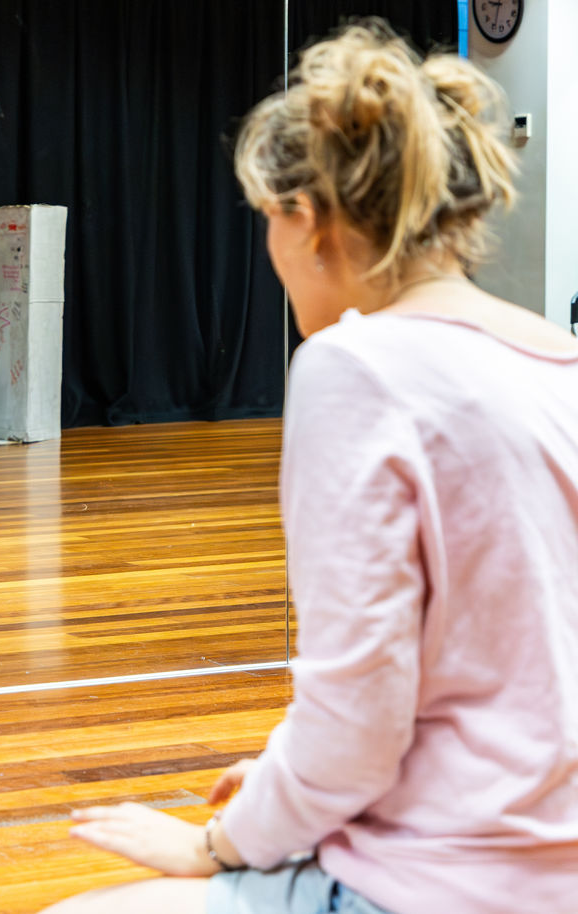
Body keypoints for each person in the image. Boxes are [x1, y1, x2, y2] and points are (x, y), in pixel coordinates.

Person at [42, 19, 578, 914]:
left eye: (267, 222)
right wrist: (296, 772)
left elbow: (359, 726)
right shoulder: (558, 360)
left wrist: (220, 843)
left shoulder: (356, 368)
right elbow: (502, 676)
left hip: (433, 888)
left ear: (309, 219)